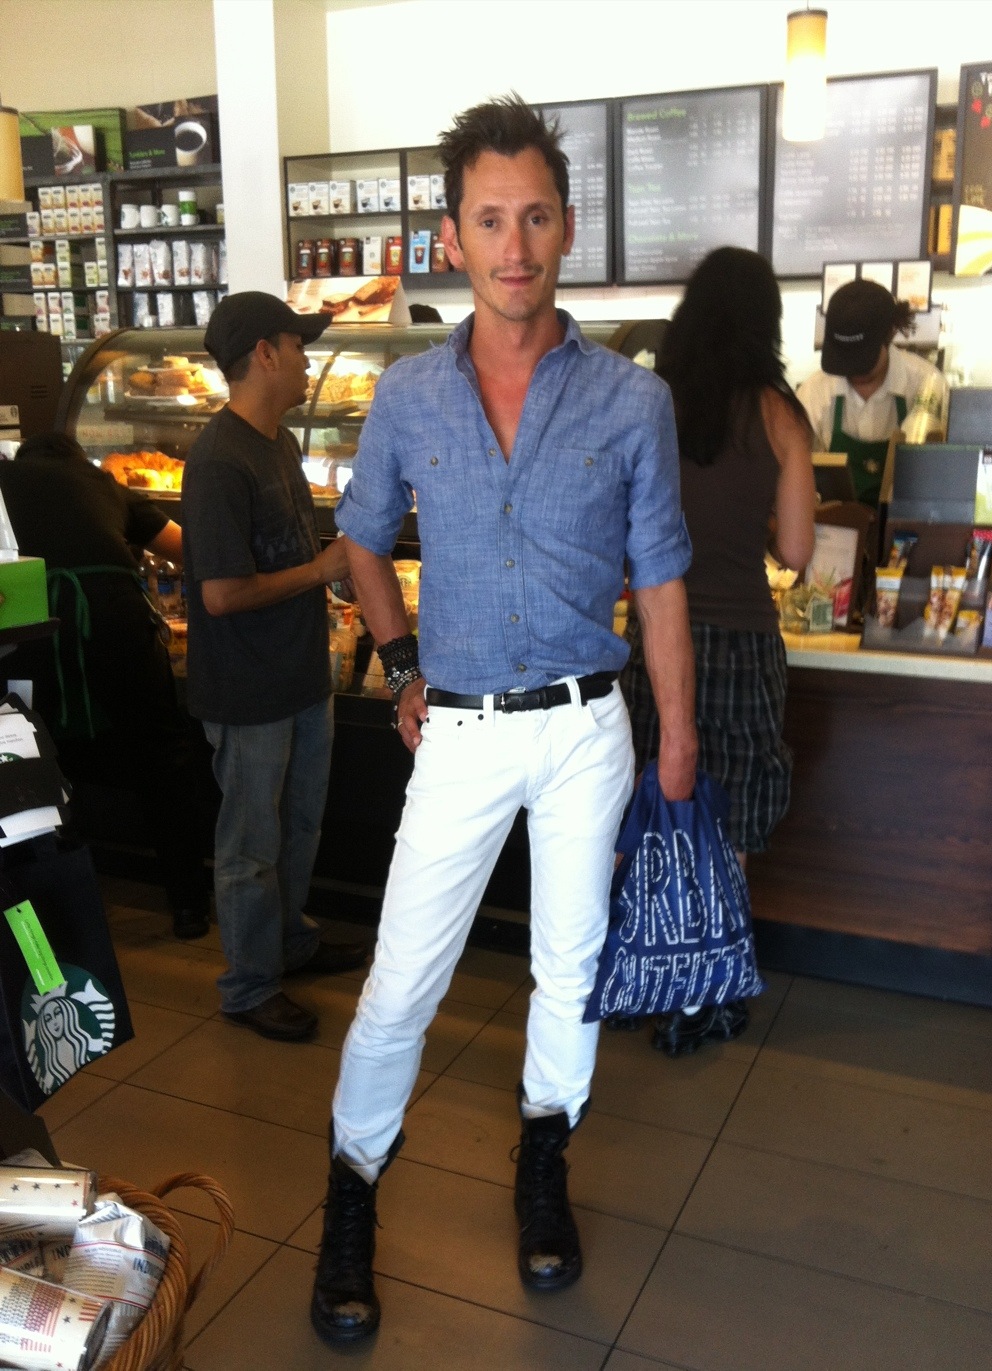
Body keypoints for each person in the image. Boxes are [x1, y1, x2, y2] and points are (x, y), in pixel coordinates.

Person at [310, 95, 698, 1346]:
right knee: (400, 983)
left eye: (534, 216)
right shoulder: (408, 396)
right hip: (463, 731)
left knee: (568, 969)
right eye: (489, 219)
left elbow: (662, 580)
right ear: (453, 238)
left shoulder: (631, 402)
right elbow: (361, 541)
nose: (513, 244)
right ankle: (351, 1193)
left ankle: (543, 1165)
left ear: (567, 227)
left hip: (587, 728)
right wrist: (401, 665)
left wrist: (678, 736)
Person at [620, 246, 816, 1056]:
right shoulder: (780, 415)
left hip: (652, 640)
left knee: (655, 807)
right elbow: (796, 551)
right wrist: (754, 522)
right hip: (741, 642)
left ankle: (649, 974)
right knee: (725, 820)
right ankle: (703, 994)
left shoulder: (650, 401)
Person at [181, 291, 367, 1045]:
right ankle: (249, 986)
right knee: (250, 844)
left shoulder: (280, 443)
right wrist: (323, 570)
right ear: (264, 353)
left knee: (299, 824)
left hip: (300, 673)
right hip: (248, 686)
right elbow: (221, 595)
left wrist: (336, 574)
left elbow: (294, 549)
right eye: (298, 347)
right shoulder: (217, 460)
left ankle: (289, 941)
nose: (307, 361)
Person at [0, 432, 210, 940]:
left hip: (31, 629)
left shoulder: (4, 482)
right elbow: (191, 551)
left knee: (33, 759)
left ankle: (53, 908)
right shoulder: (105, 484)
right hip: (116, 624)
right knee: (164, 755)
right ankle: (188, 905)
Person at [796, 278, 947, 506]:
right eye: (843, 359)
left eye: (861, 358)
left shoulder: (927, 386)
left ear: (890, 334)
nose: (852, 369)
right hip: (836, 524)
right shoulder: (814, 393)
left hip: (904, 524)